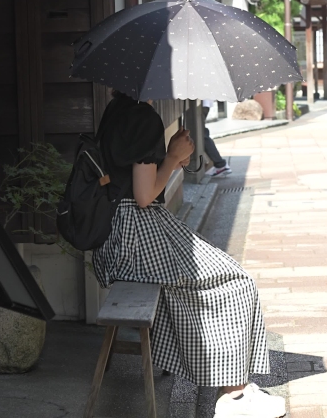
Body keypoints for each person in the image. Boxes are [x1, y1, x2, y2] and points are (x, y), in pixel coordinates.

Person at [93, 91, 284, 418]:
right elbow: (143, 196)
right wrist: (171, 158)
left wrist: (170, 158)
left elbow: (129, 184)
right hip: (138, 236)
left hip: (117, 236)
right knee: (236, 283)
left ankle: (227, 382)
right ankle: (234, 396)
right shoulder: (143, 118)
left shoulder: (116, 111)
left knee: (216, 279)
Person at [202, 99, 232, 177]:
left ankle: (220, 164)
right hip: (203, 102)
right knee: (201, 133)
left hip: (200, 103)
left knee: (201, 134)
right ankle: (219, 164)